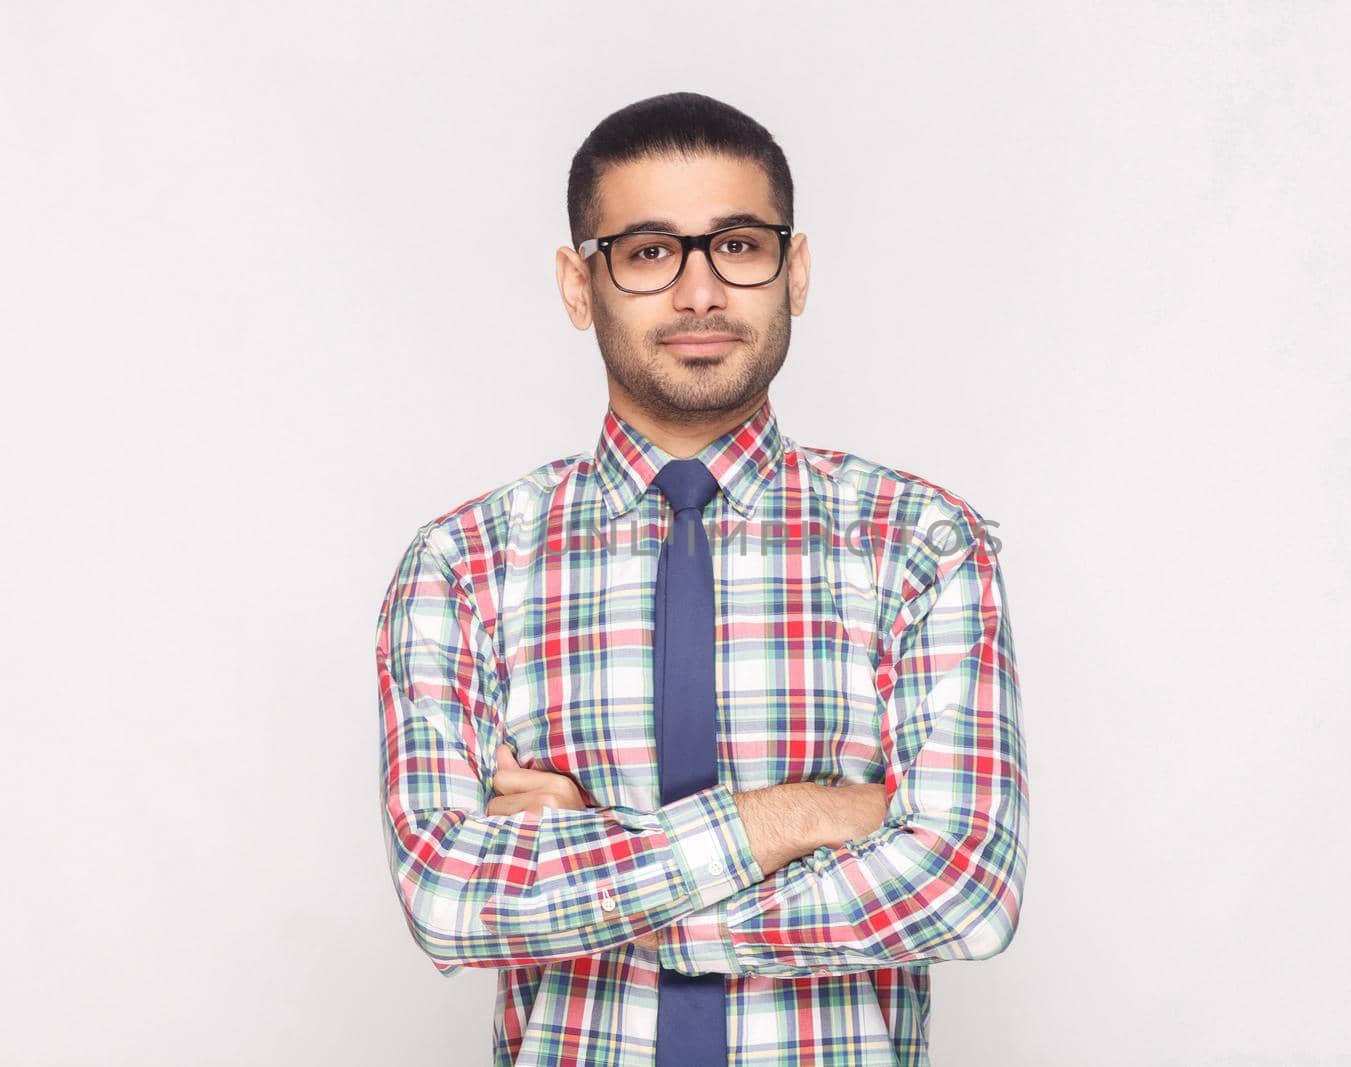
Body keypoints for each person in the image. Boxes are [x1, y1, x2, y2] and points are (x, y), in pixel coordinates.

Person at [375, 91, 1030, 1067]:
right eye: (647, 252)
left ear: (792, 270)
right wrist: (802, 814)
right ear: (576, 283)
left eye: (736, 245)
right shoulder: (464, 566)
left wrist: (590, 877)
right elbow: (449, 898)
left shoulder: (918, 545)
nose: (699, 294)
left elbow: (966, 886)